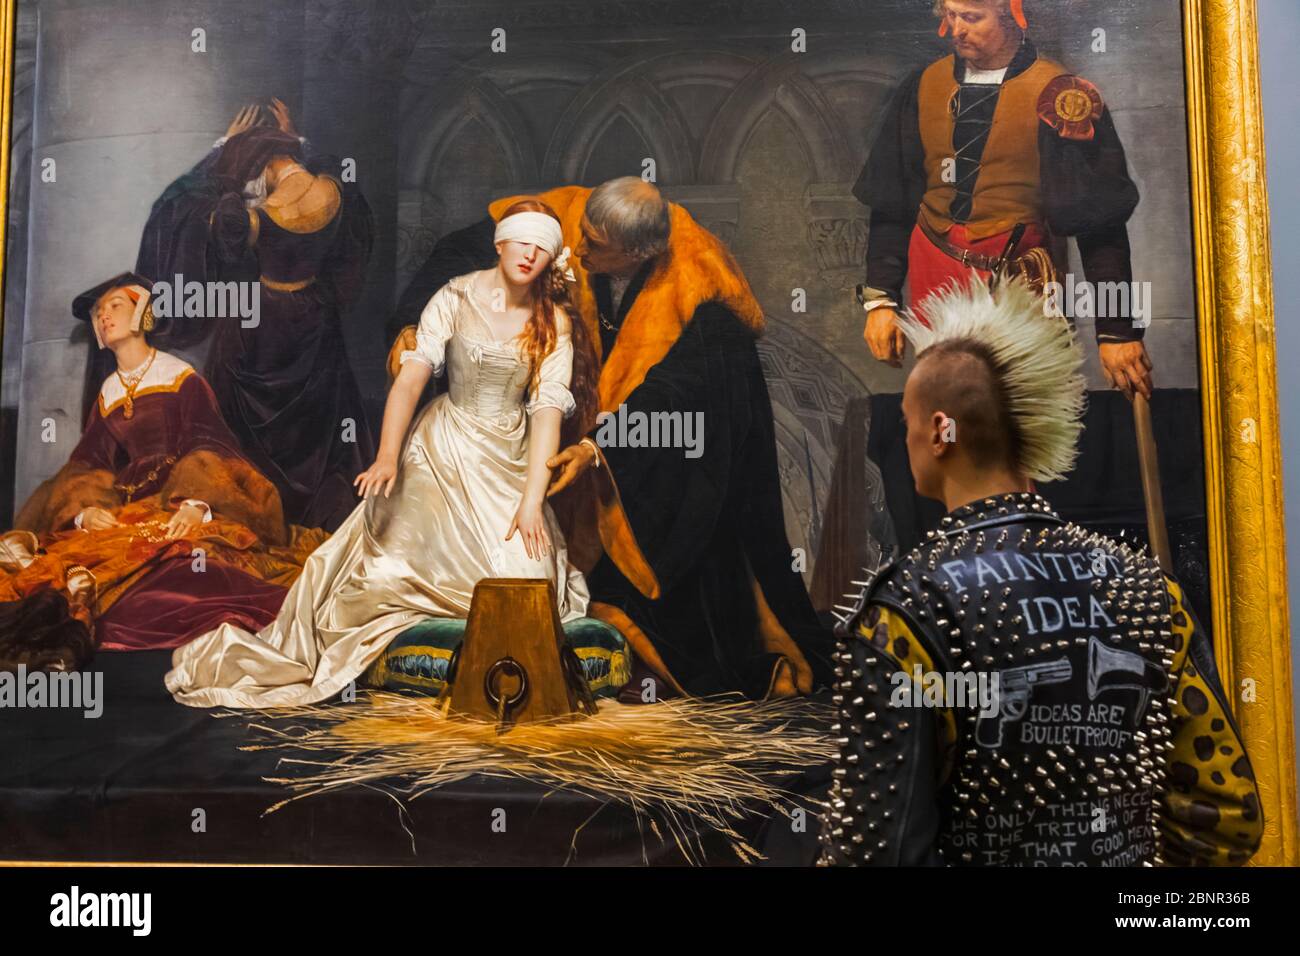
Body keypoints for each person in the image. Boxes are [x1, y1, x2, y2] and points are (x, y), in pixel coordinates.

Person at [816, 279, 1262, 866]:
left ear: (941, 431)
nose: (904, 440)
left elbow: (874, 851)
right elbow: (1227, 816)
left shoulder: (905, 610)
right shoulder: (1150, 592)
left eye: (907, 422)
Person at [392, 177, 834, 700]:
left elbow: (673, 397)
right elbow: (474, 247)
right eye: (582, 236)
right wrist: (416, 330)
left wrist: (594, 448)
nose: (578, 250)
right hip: (516, 435)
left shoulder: (702, 292)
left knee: (688, 582)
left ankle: (631, 614)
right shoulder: (572, 221)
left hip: (660, 457)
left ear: (641, 252)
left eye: (596, 248)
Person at [165, 202, 597, 708]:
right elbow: (412, 379)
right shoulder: (454, 297)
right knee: (389, 576)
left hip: (513, 459)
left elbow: (546, 412)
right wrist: (388, 456)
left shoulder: (554, 321)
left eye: (542, 245)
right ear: (499, 242)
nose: (530, 253)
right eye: (522, 240)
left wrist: (531, 500)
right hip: (443, 450)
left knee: (528, 582)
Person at [3, 274, 322, 671]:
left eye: (115, 306)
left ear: (141, 312)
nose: (104, 316)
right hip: (128, 505)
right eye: (100, 312)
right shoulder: (108, 390)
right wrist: (84, 513)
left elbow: (210, 443)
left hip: (179, 498)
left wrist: (196, 503)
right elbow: (90, 462)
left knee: (184, 567)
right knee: (66, 563)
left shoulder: (179, 376)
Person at [858, 0, 1153, 400]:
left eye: (971, 17)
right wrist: (880, 302)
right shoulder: (923, 85)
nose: (957, 29)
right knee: (949, 422)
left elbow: (1099, 225)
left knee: (1019, 428)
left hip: (1019, 283)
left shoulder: (1061, 95)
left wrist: (1116, 330)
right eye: (950, 15)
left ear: (1010, 14)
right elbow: (892, 203)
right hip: (934, 274)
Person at [135, 100, 375, 530]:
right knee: (318, 433)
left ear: (260, 169)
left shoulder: (250, 216)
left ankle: (258, 519)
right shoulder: (337, 191)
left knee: (233, 429)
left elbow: (178, 206)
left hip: (257, 325)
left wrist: (226, 147)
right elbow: (347, 191)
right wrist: (296, 141)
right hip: (316, 323)